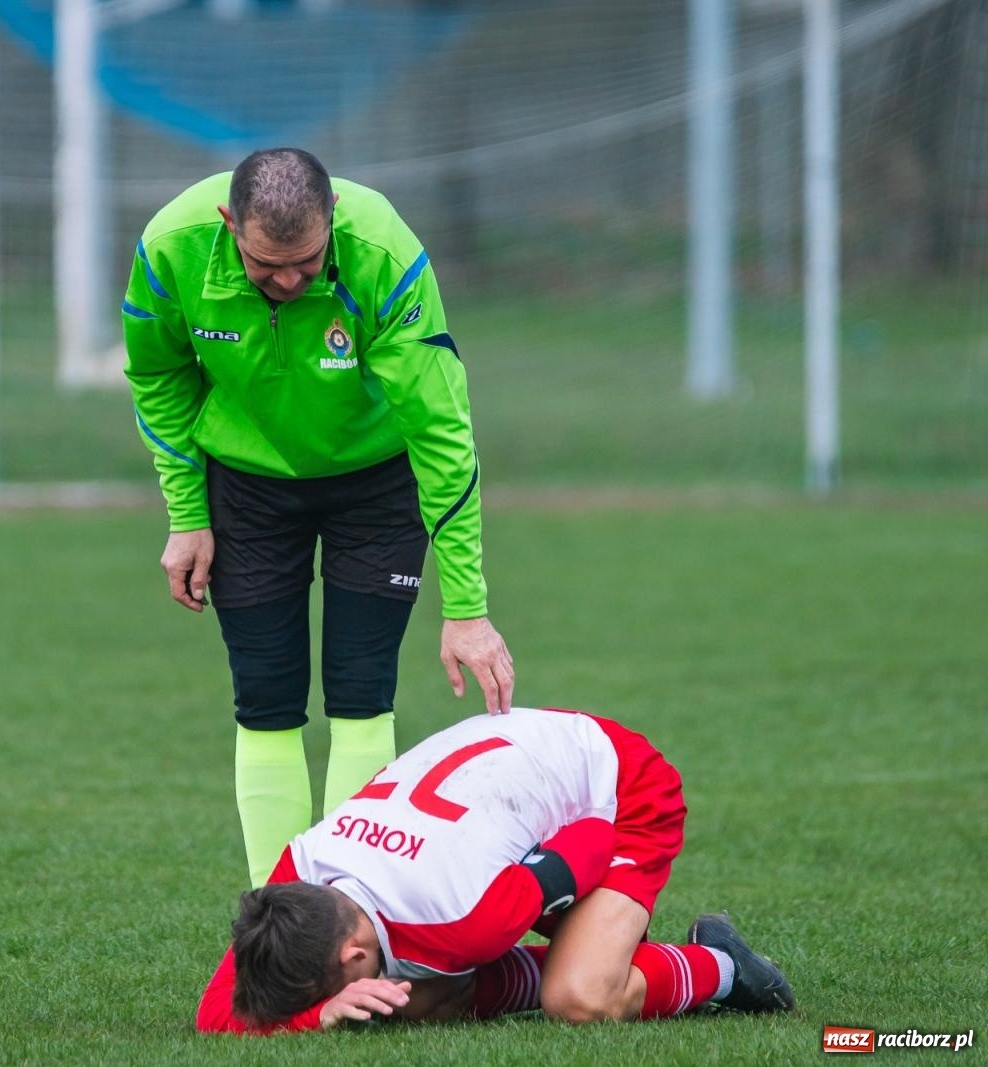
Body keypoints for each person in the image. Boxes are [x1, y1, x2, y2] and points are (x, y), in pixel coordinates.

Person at [123, 148, 515, 888]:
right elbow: (157, 373)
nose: (289, 281)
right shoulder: (170, 249)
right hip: (246, 482)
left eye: (306, 261)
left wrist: (467, 608)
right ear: (227, 224)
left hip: (376, 480)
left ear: (332, 221)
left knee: (362, 688)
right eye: (266, 264)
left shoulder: (384, 255)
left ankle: (348, 913)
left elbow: (441, 430)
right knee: (264, 694)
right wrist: (187, 511)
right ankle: (279, 925)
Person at [194, 706, 795, 1032]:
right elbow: (217, 1014)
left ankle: (720, 964)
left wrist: (584, 935)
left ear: (353, 955)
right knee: (403, 1000)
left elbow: (589, 841)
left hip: (617, 787)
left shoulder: (463, 913)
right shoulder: (294, 884)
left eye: (338, 985)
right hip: (505, 776)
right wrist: (318, 1011)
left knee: (581, 996)